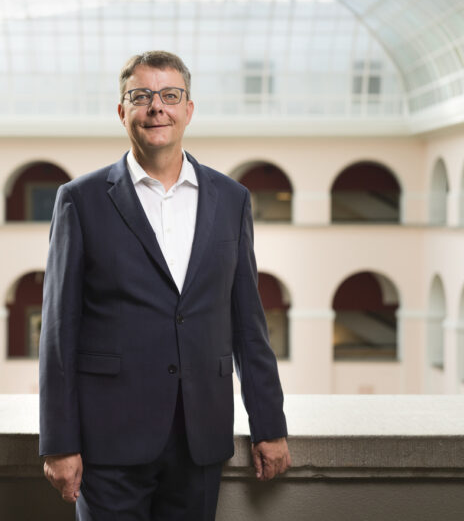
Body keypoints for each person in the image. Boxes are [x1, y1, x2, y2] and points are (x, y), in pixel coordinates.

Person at [39, 51, 290, 520]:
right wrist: (58, 442)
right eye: (141, 96)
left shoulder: (231, 200)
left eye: (170, 96)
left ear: (188, 109)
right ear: (122, 112)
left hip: (199, 440)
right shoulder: (80, 200)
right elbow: (58, 332)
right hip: (108, 442)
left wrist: (269, 424)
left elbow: (247, 322)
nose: (157, 107)